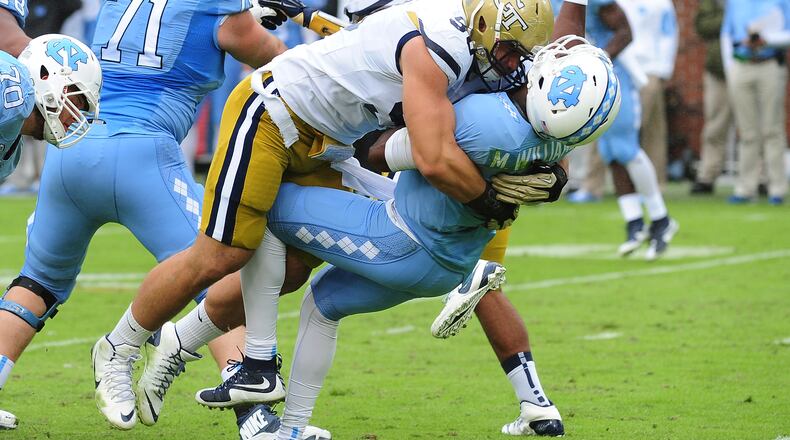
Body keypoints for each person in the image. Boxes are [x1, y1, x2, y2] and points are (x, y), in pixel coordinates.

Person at [95, 0, 554, 430]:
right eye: (509, 53)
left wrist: (552, 173)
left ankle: (181, 343)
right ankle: (119, 347)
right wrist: (490, 203)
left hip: (328, 142)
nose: (514, 66)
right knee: (220, 254)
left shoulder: (455, 43)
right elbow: (432, 157)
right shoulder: (436, 47)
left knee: (294, 268)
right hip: (273, 115)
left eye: (521, 55)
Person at [250, 37, 619, 438]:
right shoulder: (554, 139)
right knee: (322, 305)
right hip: (448, 266)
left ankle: (256, 362)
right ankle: (291, 430)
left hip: (398, 239)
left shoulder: (480, 117)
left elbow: (379, 153)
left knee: (267, 202)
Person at [0, 0, 288, 433]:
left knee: (37, 282)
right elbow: (276, 60)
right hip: (144, 152)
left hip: (72, 144)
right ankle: (254, 416)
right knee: (211, 278)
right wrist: (250, 21)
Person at [0, 32, 102, 429]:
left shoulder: (14, 141)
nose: (78, 113)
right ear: (47, 77)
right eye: (76, 98)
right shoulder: (8, 86)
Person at [558, 0, 679, 260]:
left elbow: (626, 32)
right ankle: (635, 222)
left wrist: (600, 58)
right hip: (589, 80)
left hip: (614, 75)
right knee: (610, 150)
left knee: (625, 148)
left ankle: (661, 218)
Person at [723, 0, 789, 205]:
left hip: (770, 63)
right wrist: (730, 67)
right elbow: (727, 34)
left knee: (772, 129)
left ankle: (776, 188)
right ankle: (745, 188)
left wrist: (766, 39)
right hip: (741, 64)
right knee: (747, 131)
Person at [620, 0, 678, 188]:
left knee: (652, 127)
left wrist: (663, 70)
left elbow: (669, 34)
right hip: (621, 66)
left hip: (650, 68)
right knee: (613, 124)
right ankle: (595, 183)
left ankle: (656, 182)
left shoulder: (661, 3)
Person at [690, 0, 734, 196]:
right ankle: (707, 174)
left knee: (755, 127)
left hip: (751, 63)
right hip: (718, 70)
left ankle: (761, 177)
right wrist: (731, 15)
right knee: (715, 125)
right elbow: (702, 26)